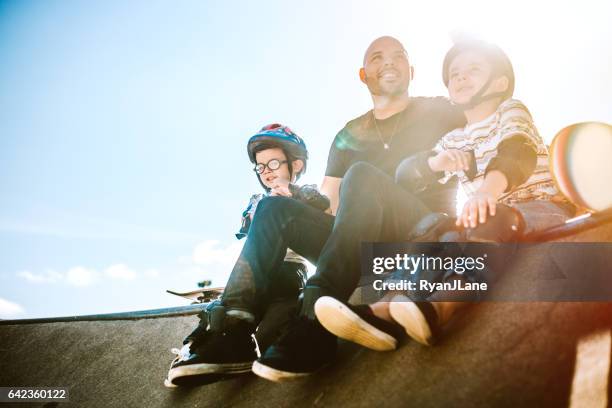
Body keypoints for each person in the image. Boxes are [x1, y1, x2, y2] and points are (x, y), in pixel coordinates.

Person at [314, 39, 573, 350]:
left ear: (501, 82)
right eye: (454, 74)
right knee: (436, 229)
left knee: (491, 219)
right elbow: (406, 173)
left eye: (473, 70)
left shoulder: (510, 110)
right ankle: (383, 311)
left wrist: (489, 191)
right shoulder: (455, 138)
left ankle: (440, 307)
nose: (461, 77)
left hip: (540, 206)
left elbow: (517, 150)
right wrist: (436, 162)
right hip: (485, 214)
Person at [248, 36, 465, 382]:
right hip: (361, 247)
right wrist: (293, 202)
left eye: (398, 56)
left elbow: (494, 124)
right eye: (377, 58)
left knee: (362, 175)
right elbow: (332, 207)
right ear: (364, 75)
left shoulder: (443, 109)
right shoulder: (348, 135)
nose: (389, 62)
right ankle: (232, 324)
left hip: (420, 233)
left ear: (412, 70)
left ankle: (313, 323)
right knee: (273, 208)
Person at [164, 124, 330, 387]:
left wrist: (295, 195)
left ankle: (235, 330)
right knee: (219, 312)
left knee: (272, 325)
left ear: (295, 165)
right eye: (260, 167)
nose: (266, 172)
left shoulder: (307, 192)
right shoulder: (258, 200)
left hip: (290, 275)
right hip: (259, 276)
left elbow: (324, 211)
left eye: (273, 163)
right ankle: (201, 343)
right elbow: (249, 238)